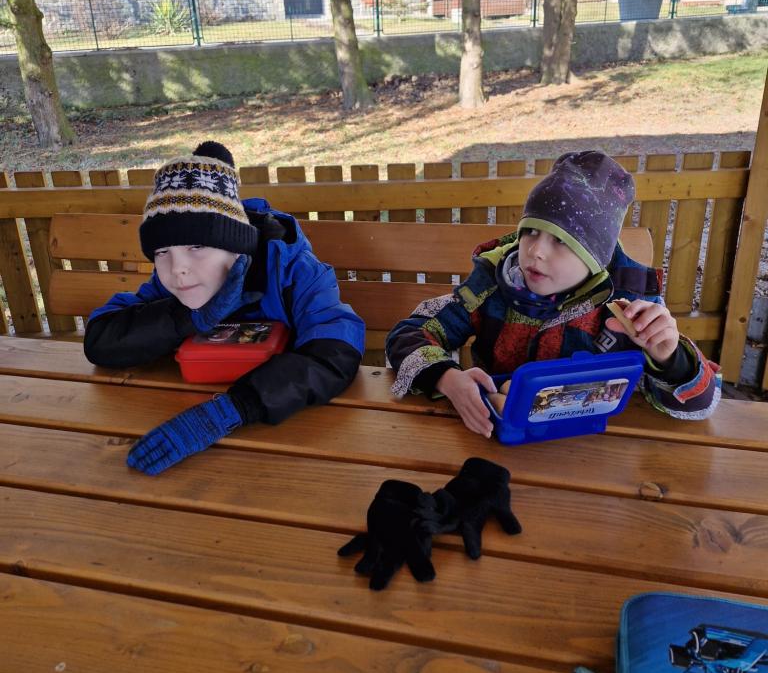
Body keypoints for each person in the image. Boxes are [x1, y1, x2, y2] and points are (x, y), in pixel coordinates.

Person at [385, 151, 720, 437]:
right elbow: (409, 334)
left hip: (594, 453)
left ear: (594, 256)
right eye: (531, 231)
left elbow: (698, 405)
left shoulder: (630, 309)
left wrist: (671, 359)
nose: (536, 251)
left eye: (561, 240)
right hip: (495, 437)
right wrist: (446, 378)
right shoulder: (491, 288)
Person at [84, 141, 365, 473]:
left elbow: (336, 351)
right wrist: (186, 318)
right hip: (176, 415)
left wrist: (233, 409)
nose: (178, 268)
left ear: (235, 247)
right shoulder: (172, 283)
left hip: (293, 443)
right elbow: (101, 338)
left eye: (197, 246)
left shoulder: (295, 271)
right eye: (162, 252)